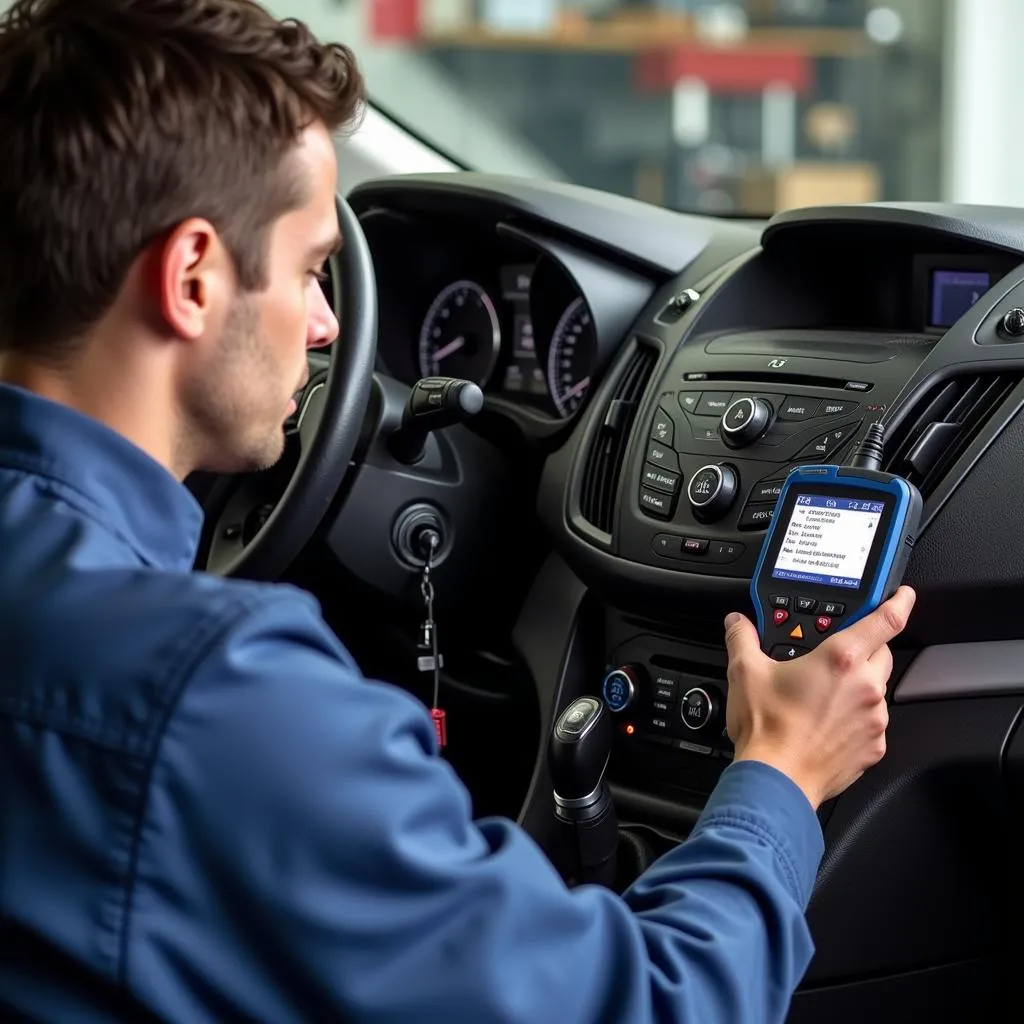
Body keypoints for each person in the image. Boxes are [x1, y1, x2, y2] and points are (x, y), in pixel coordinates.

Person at [0, 1, 916, 1021]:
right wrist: (780, 773)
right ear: (193, 277)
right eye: (311, 270)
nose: (327, 325)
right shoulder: (209, 695)